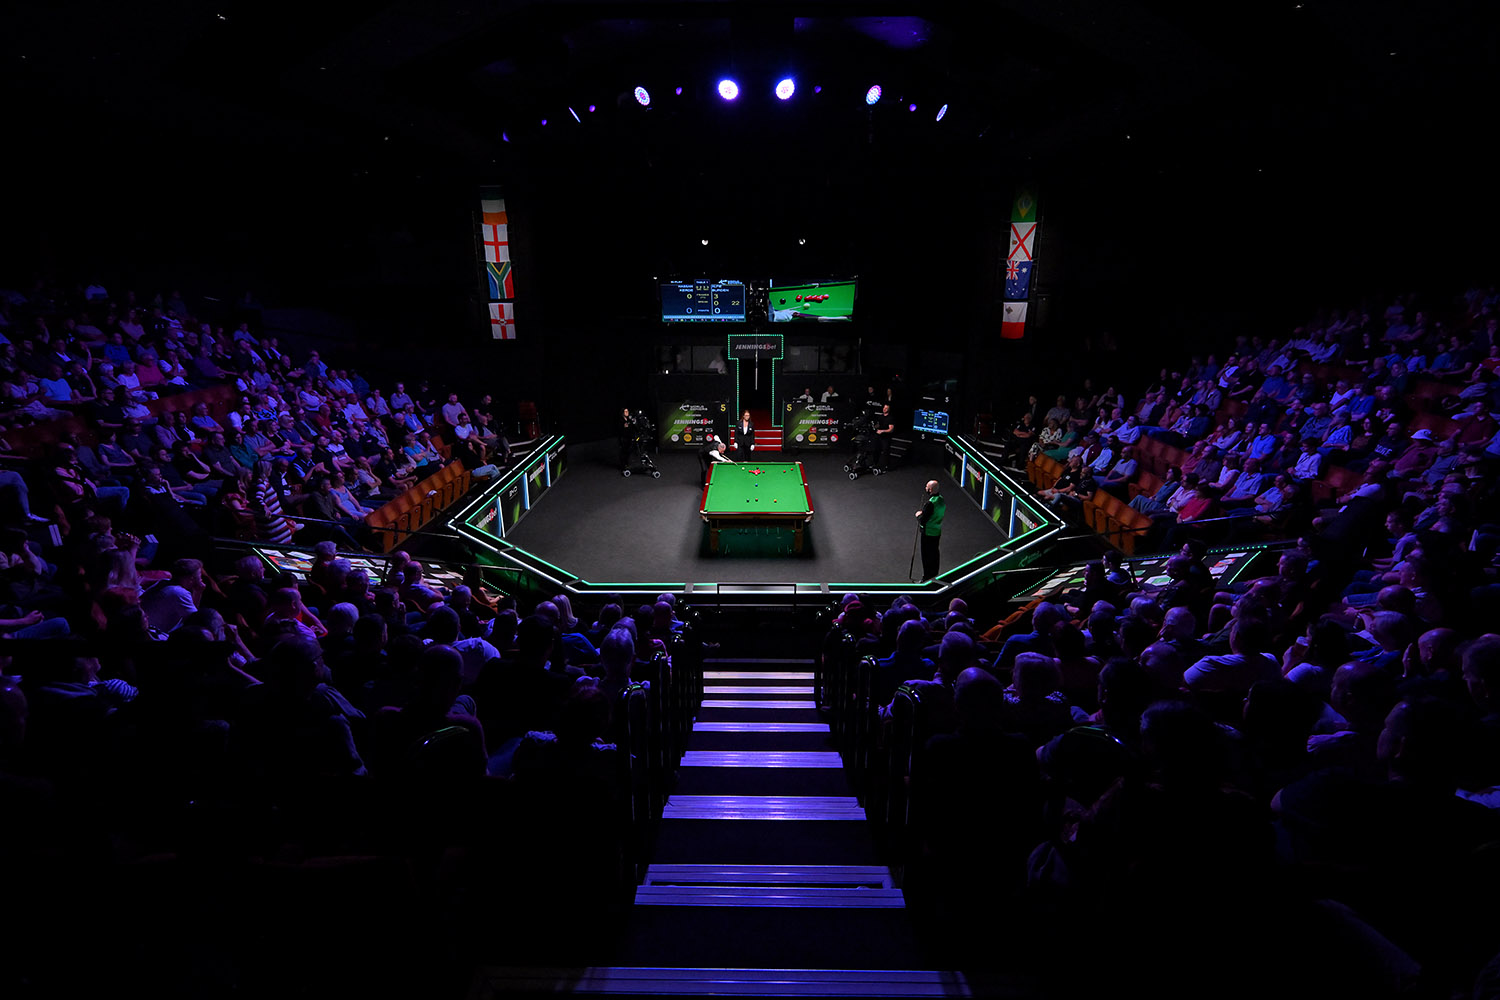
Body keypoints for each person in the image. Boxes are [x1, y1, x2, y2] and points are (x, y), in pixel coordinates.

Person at [915, 479, 945, 582]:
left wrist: (918, 515)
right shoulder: (941, 500)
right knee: (934, 554)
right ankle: (934, 575)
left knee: (926, 556)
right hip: (937, 531)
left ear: (931, 489)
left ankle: (926, 578)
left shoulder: (930, 504)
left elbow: (923, 520)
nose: (925, 488)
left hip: (928, 533)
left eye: (927, 487)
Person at [874, 404, 896, 470]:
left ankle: (887, 466)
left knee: (886, 451)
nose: (884, 409)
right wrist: (876, 426)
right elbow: (878, 425)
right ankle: (876, 464)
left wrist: (882, 431)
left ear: (888, 410)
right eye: (884, 408)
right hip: (879, 437)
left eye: (886, 408)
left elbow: (891, 429)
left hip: (886, 437)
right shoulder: (881, 416)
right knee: (876, 450)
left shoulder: (890, 418)